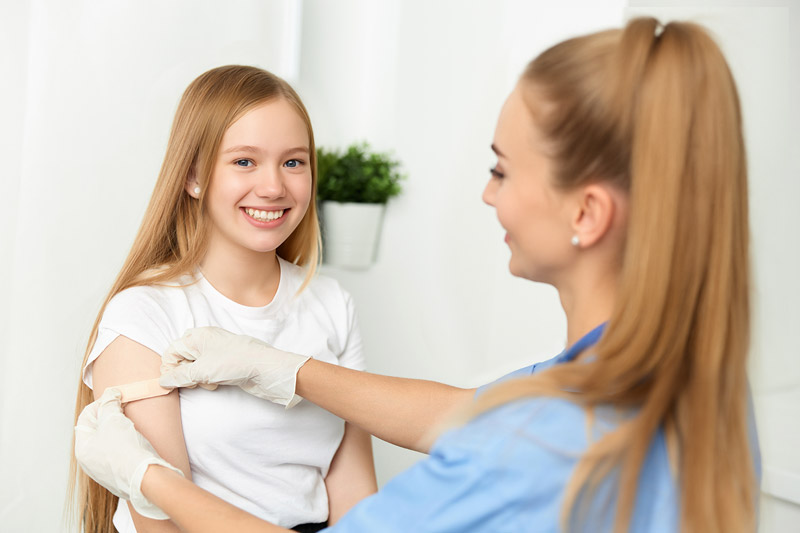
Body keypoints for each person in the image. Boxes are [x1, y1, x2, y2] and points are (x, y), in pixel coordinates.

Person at [75, 17, 760, 532]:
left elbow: (482, 438)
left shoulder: (536, 442)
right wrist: (288, 370)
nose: (487, 195)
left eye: (500, 170)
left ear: (586, 212)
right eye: (244, 160)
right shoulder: (689, 388)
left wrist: (149, 478)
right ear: (193, 175)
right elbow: (469, 412)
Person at [68, 65, 377, 533]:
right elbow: (163, 526)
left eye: (294, 162)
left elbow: (358, 505)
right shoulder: (144, 315)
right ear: (193, 176)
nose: (273, 187)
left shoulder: (332, 304)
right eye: (244, 161)